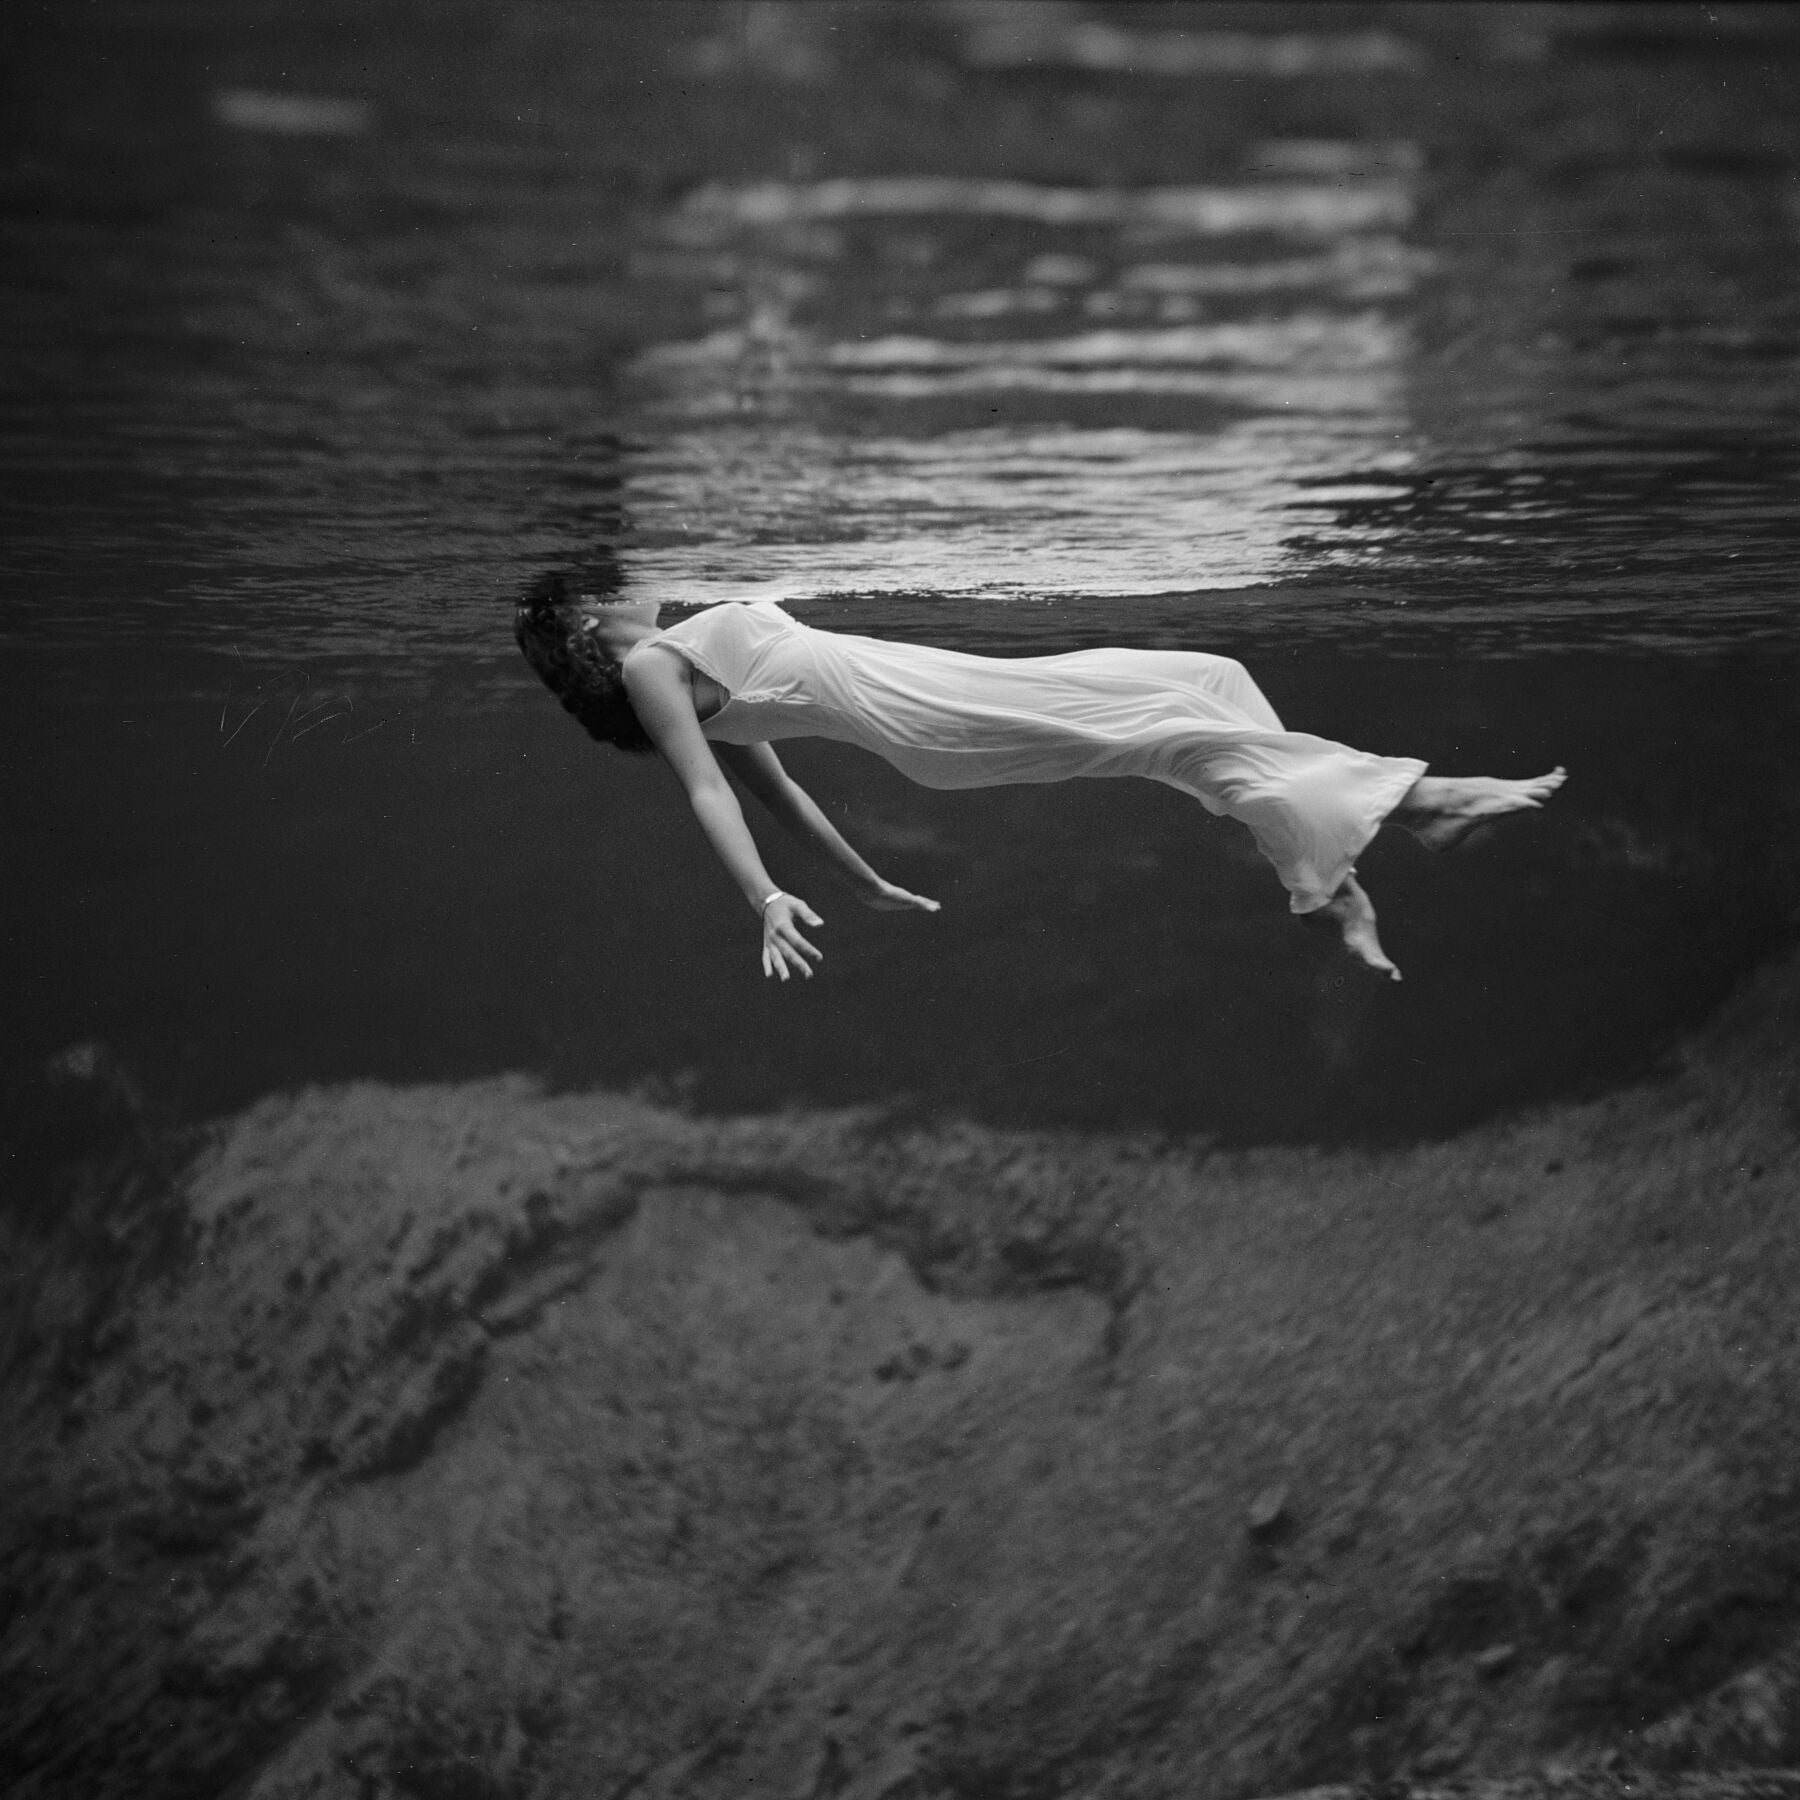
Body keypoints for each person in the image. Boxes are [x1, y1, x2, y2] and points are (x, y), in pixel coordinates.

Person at [515, 581, 1564, 983]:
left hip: (939, 697)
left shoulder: (679, 648)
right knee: (1177, 735)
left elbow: (781, 792)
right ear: (583, 622)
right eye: (606, 587)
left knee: (1205, 682)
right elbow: (715, 791)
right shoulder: (655, 667)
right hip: (931, 718)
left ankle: (1327, 872)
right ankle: (1418, 808)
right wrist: (765, 896)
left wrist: (863, 880)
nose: (629, 581)